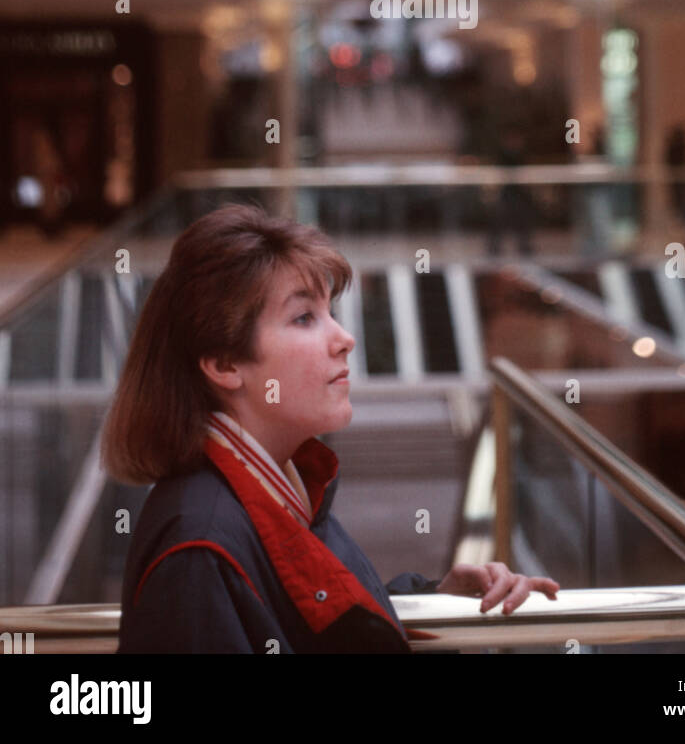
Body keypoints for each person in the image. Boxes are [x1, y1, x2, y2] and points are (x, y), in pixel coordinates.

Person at [102, 204, 558, 653]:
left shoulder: (280, 486)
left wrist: (435, 600)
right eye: (304, 318)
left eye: (330, 311)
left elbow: (300, 625)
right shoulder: (200, 548)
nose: (344, 338)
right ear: (224, 363)